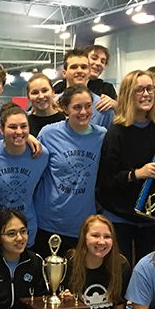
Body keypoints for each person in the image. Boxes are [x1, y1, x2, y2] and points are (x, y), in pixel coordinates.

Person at [97, 69, 155, 267]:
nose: (146, 94)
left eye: (150, 89)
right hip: (120, 215)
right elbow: (105, 181)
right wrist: (135, 174)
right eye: (139, 90)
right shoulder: (116, 132)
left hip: (152, 215)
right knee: (121, 273)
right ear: (127, 94)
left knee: (149, 272)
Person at [34, 84, 107, 258]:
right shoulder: (49, 133)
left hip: (81, 225)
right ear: (65, 109)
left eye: (88, 106)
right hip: (48, 223)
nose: (83, 112)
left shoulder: (102, 136)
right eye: (77, 107)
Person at [0, 104, 49, 247]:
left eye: (23, 126)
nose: (19, 131)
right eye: (13, 127)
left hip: (24, 232)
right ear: (1, 130)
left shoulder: (41, 155)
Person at [58, 48, 114, 128]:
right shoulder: (52, 104)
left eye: (84, 67)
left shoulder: (104, 108)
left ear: (89, 72)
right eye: (74, 67)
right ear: (64, 73)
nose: (79, 71)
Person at [52, 44, 118, 101]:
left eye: (103, 62)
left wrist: (114, 105)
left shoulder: (107, 88)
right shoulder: (59, 86)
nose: (98, 63)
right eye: (94, 58)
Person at [25, 72, 65, 137]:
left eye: (44, 90)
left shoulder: (66, 121)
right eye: (35, 93)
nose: (41, 96)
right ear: (28, 97)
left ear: (53, 92)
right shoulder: (25, 125)